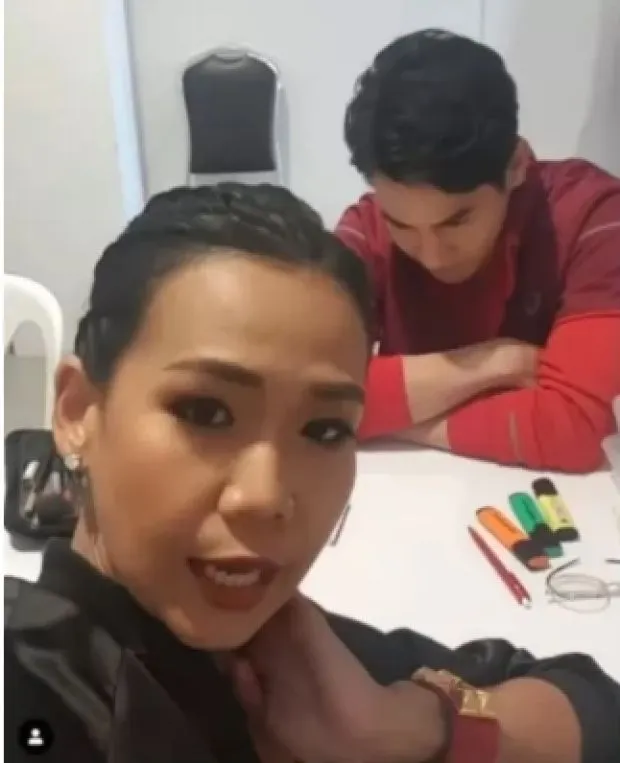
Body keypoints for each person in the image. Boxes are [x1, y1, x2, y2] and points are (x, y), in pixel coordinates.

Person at [5, 184, 619, 763]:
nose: (266, 496)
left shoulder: (286, 658)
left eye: (324, 430)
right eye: (205, 412)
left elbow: (591, 703)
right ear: (77, 410)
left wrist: (405, 727)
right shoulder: (33, 686)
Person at [338, 29, 620, 473]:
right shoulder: (366, 227)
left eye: (456, 221)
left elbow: (573, 430)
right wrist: (490, 364)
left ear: (517, 164)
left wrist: (390, 422)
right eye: (402, 225)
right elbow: (291, 392)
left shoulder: (595, 216)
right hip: (407, 495)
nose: (431, 255)